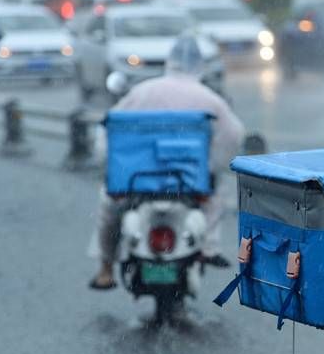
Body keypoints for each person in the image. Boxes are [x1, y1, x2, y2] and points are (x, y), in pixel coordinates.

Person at [88, 35, 244, 290]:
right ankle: (208, 248)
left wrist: (107, 166)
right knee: (216, 197)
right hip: (189, 184)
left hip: (136, 183)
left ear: (168, 63)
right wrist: (212, 166)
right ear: (199, 66)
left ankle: (105, 268)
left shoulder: (142, 92)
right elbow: (233, 135)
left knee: (109, 207)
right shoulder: (210, 99)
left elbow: (108, 130)